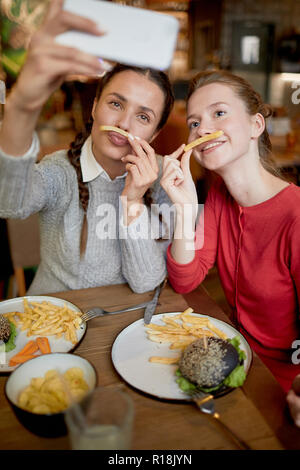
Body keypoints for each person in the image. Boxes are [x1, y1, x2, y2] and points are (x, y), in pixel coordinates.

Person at [0, 0, 174, 295]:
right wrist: (21, 107)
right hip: (53, 318)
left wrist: (132, 201)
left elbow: (146, 282)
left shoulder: (165, 179)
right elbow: (9, 202)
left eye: (143, 116)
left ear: (155, 134)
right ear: (94, 107)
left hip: (125, 323)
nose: (123, 123)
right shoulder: (61, 170)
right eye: (116, 103)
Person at [160, 69, 300, 398]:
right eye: (194, 122)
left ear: (256, 125)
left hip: (281, 383)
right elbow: (186, 279)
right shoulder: (221, 195)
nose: (203, 129)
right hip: (235, 360)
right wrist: (184, 208)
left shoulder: (295, 216)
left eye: (219, 113)